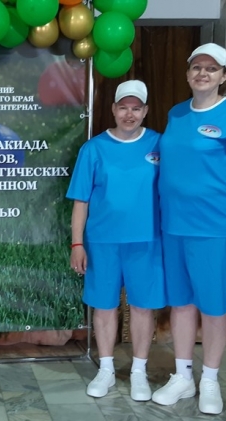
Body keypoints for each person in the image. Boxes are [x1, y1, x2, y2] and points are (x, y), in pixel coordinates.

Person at [151, 43, 226, 415]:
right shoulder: (176, 113)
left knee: (214, 307)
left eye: (211, 69)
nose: (203, 73)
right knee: (181, 303)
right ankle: (183, 376)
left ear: (224, 76)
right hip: (174, 226)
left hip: (214, 227)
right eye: (197, 67)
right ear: (188, 73)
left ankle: (210, 380)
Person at [67, 80, 164, 401]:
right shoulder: (93, 149)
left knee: (142, 307)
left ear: (145, 111)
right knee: (104, 305)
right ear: (113, 109)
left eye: (136, 108)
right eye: (123, 107)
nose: (129, 114)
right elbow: (81, 201)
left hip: (147, 241)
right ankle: (106, 369)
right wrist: (77, 244)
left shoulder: (159, 145)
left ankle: (139, 372)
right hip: (103, 242)